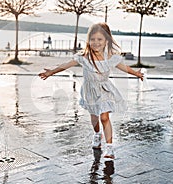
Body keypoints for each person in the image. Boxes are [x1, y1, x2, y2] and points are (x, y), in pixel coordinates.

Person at [38, 23, 143, 160]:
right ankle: (97, 134)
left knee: (104, 117)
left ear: (106, 41)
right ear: (88, 40)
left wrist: (136, 74)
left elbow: (124, 67)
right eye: (93, 39)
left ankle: (110, 148)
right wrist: (52, 72)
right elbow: (66, 65)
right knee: (94, 117)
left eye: (100, 39)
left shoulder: (110, 57)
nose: (96, 42)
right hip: (90, 92)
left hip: (105, 89)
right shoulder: (84, 56)